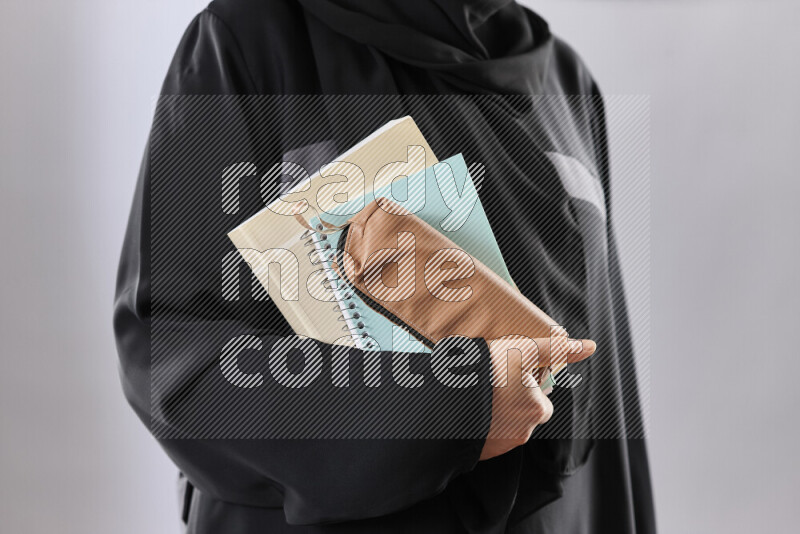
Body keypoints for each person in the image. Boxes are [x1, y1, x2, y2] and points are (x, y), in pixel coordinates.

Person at [114, 0, 655, 532]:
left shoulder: (567, 79)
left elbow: (607, 378)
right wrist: (460, 405)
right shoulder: (250, 41)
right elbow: (172, 358)